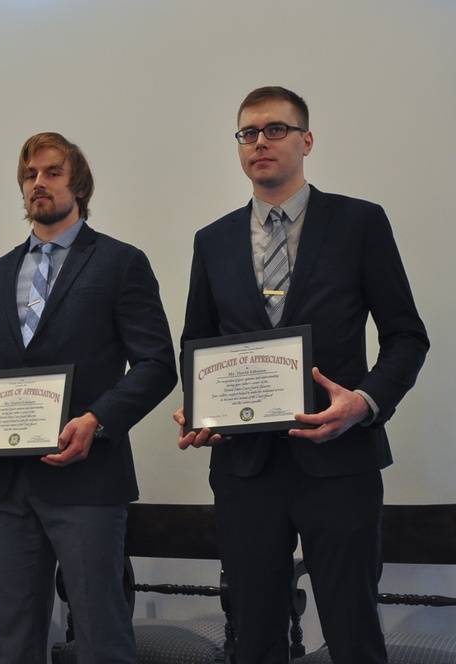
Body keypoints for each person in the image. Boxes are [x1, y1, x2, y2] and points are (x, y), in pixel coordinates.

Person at [174, 86, 430, 663]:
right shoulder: (211, 241)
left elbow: (407, 336)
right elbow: (198, 342)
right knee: (255, 636)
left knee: (353, 632)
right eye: (247, 133)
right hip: (245, 470)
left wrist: (364, 402)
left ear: (306, 140)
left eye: (275, 130)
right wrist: (201, 405)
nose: (259, 142)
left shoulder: (360, 222)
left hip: (341, 463)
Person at [0, 132, 177, 663]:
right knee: (11, 637)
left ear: (78, 183)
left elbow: (157, 364)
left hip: (87, 479)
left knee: (100, 635)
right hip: (5, 485)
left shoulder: (120, 262)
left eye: (52, 172)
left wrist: (97, 419)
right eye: (29, 175)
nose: (39, 183)